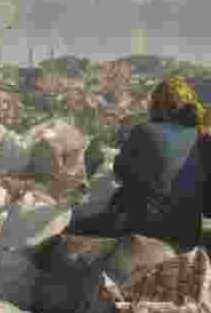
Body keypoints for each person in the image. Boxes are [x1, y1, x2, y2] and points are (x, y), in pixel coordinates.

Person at [68, 75, 209, 250]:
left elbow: (119, 171)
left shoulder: (144, 131)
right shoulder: (201, 138)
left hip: (143, 230)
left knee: (71, 225)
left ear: (156, 105)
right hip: (187, 237)